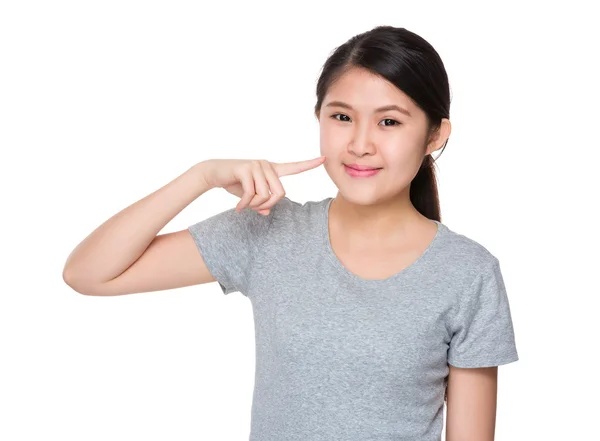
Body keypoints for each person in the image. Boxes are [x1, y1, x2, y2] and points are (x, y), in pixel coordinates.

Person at [63, 25, 519, 441]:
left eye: (389, 121)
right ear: (319, 117)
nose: (360, 144)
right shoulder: (269, 230)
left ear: (435, 135)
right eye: (342, 117)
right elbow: (89, 274)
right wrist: (199, 177)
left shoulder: (467, 273)